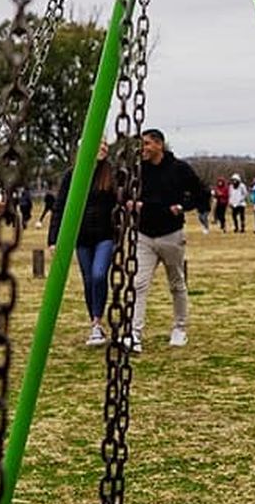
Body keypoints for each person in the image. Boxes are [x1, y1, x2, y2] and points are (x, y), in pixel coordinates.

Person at [131, 129, 207, 350]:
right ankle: (135, 332)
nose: (143, 149)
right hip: (144, 234)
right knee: (138, 284)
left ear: (159, 145)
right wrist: (130, 203)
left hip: (170, 234)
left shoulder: (179, 169)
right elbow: (125, 192)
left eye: (147, 144)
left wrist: (183, 207)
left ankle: (180, 328)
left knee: (176, 282)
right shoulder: (138, 170)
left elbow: (201, 194)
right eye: (142, 144)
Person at [52, 143, 118, 346]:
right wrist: (53, 239)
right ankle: (95, 324)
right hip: (81, 237)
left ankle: (97, 320)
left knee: (99, 275)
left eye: (105, 144)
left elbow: (120, 201)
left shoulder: (111, 174)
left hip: (105, 235)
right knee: (88, 280)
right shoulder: (73, 176)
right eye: (98, 143)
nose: (103, 147)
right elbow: (60, 206)